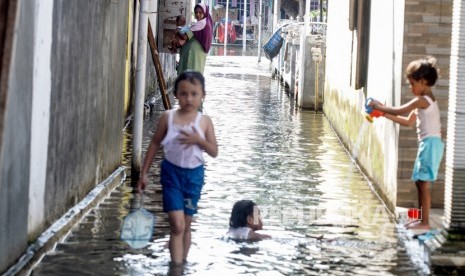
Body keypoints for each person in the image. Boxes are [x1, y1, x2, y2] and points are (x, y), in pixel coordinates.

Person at [136, 71, 218, 265]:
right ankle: (175, 267)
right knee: (177, 225)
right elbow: (155, 144)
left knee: (186, 226)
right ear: (176, 95)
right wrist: (144, 174)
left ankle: (181, 264)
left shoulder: (204, 122)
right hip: (171, 175)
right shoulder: (168, 118)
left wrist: (199, 140)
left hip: (194, 177)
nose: (188, 98)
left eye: (194, 94)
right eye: (183, 93)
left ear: (202, 95)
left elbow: (214, 151)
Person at [368, 56, 444, 230]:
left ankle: (424, 223)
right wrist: (384, 115)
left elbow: (400, 109)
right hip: (430, 144)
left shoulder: (422, 100)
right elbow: (408, 121)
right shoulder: (426, 100)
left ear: (423, 81)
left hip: (430, 144)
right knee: (420, 181)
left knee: (422, 183)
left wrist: (378, 106)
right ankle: (421, 219)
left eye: (412, 84)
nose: (411, 88)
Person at [177, 3, 213, 75]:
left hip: (193, 55)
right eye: (196, 12)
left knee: (189, 77)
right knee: (193, 78)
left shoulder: (201, 24)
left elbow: (184, 36)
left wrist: (178, 30)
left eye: (200, 12)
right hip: (197, 56)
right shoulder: (205, 23)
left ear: (204, 13)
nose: (198, 14)